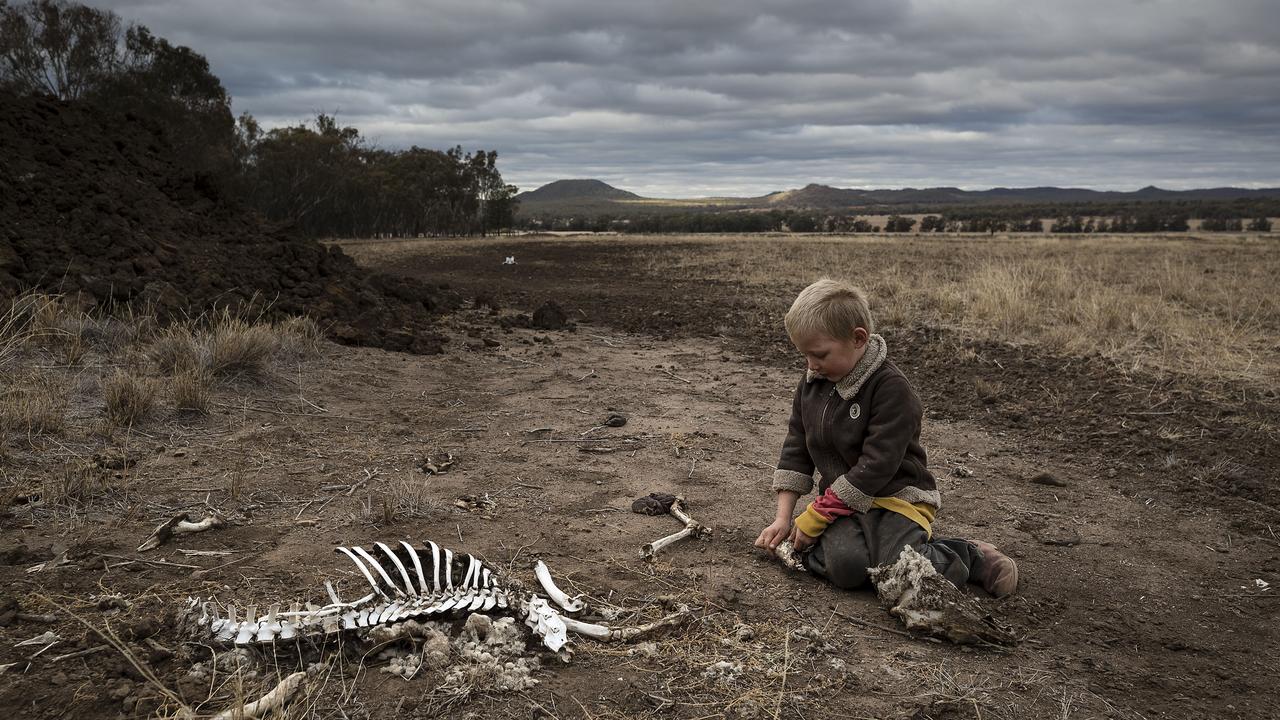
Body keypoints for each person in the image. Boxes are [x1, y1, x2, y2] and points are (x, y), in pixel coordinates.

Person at [753, 278, 1018, 597]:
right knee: (847, 568)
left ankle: (971, 556)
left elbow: (877, 466)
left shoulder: (891, 389)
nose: (811, 365)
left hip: (896, 497)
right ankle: (869, 552)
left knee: (899, 568)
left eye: (819, 354)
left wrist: (818, 514)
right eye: (804, 355)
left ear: (858, 338)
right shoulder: (813, 383)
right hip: (844, 503)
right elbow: (797, 446)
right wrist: (783, 518)